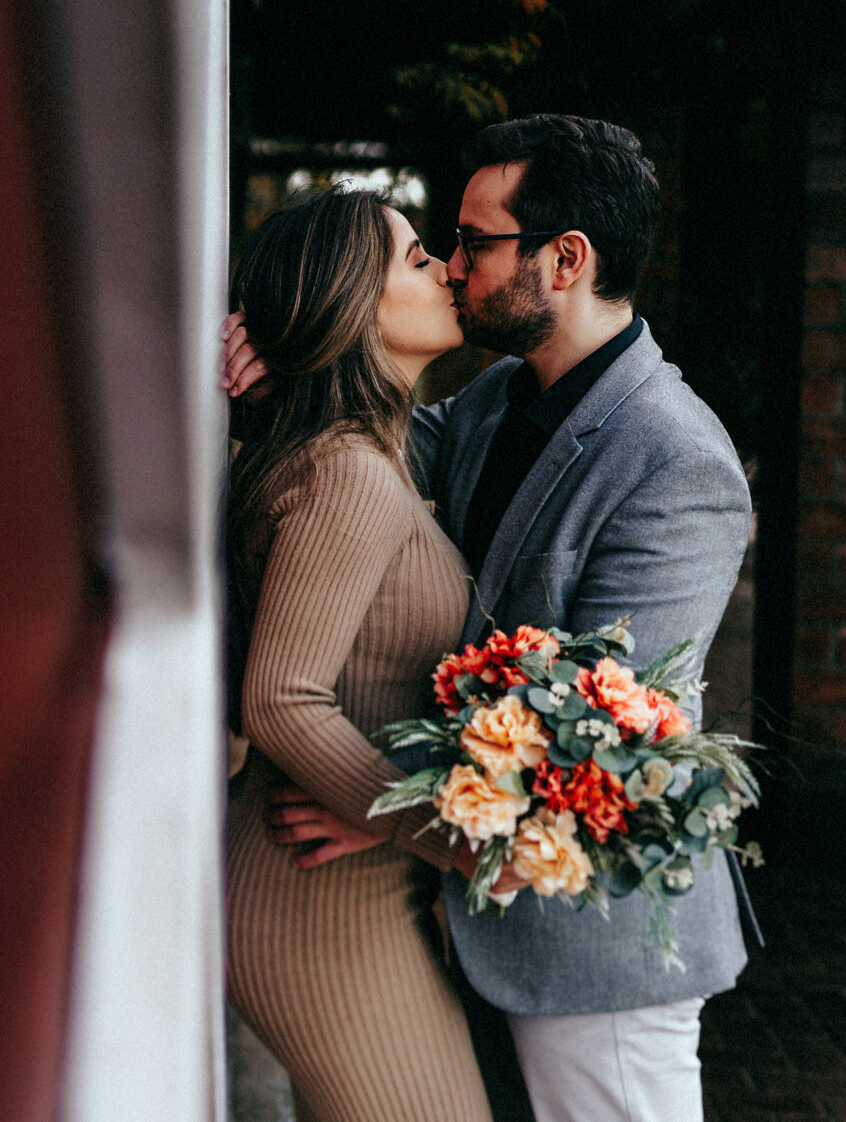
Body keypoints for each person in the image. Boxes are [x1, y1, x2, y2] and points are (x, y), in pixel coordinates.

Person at [223, 114, 752, 1122]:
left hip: (589, 951)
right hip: (445, 916)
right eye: (441, 247)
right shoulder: (497, 397)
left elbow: (608, 736)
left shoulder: (676, 460)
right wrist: (277, 358)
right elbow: (353, 442)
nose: (456, 263)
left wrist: (384, 806)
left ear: (565, 258)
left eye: (474, 240)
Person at [223, 185, 499, 1122]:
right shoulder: (347, 471)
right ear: (353, 303)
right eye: (418, 258)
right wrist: (451, 836)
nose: (445, 269)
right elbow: (282, 702)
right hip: (319, 901)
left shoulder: (358, 456)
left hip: (350, 892)